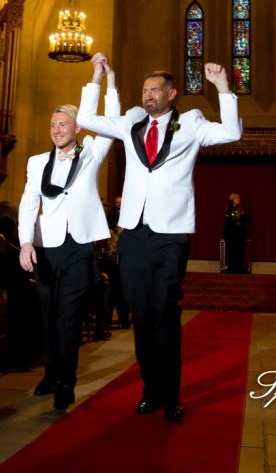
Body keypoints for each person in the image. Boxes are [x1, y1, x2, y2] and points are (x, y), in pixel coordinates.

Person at [76, 52, 242, 421]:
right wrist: (97, 77)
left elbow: (231, 133)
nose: (148, 95)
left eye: (155, 90)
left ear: (171, 94)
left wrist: (222, 88)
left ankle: (170, 394)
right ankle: (150, 389)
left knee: (164, 311)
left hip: (171, 233)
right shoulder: (132, 122)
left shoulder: (192, 124)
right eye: (144, 90)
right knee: (141, 314)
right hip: (133, 233)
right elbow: (86, 119)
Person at [17, 70, 119, 409]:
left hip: (77, 247)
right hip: (45, 249)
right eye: (52, 125)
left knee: (67, 316)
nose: (56, 130)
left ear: (77, 128)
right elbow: (29, 202)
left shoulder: (91, 152)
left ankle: (66, 381)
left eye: (63, 124)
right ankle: (50, 371)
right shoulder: (36, 163)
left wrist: (100, 80)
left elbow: (109, 122)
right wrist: (26, 242)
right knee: (46, 316)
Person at [222, 193, 248, 273]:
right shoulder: (228, 210)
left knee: (240, 250)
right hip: (231, 233)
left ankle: (239, 267)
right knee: (232, 250)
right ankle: (232, 267)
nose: (239, 200)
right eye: (237, 198)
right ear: (232, 200)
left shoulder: (240, 210)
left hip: (240, 233)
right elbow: (228, 222)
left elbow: (242, 221)